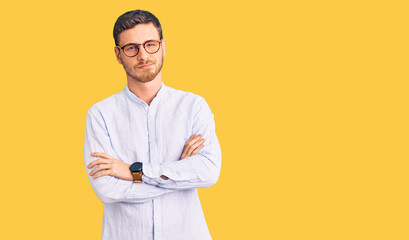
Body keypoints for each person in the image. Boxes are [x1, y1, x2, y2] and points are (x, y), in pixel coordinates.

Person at [84, 9, 222, 240]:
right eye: (132, 48)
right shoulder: (100, 114)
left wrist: (134, 171)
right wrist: (178, 174)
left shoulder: (194, 106)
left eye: (150, 44)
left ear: (163, 46)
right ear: (118, 55)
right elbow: (107, 190)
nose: (143, 55)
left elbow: (208, 172)